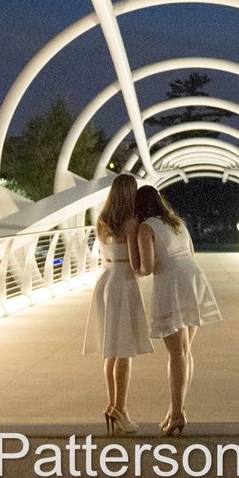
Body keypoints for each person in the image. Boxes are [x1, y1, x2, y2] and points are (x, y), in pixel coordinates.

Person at [134, 184, 220, 437]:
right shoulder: (177, 223)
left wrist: (132, 269)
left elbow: (147, 268)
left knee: (176, 353)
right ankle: (175, 411)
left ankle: (178, 413)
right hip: (193, 278)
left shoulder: (145, 228)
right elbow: (191, 252)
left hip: (171, 284)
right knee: (185, 351)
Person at [82, 173, 150, 434]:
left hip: (105, 279)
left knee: (111, 350)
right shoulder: (132, 222)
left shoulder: (102, 221)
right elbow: (135, 263)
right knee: (124, 351)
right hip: (123, 281)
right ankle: (120, 408)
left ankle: (113, 406)